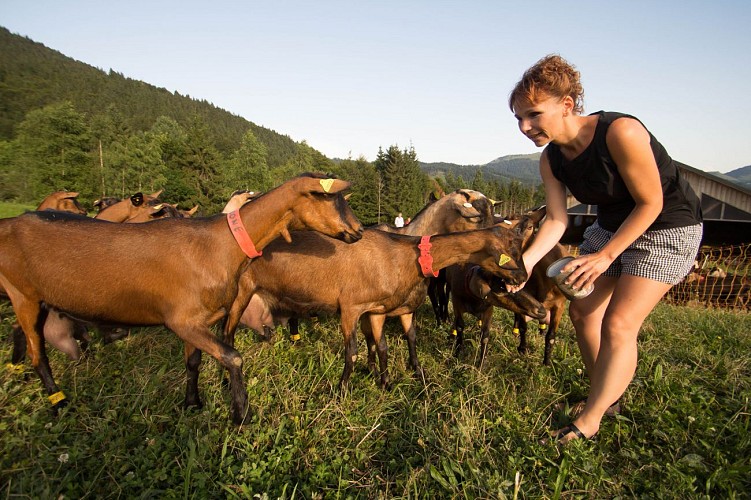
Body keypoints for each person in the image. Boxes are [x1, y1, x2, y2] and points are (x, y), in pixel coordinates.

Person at [507, 55, 702, 444]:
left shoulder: (620, 132)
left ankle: (590, 419)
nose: (525, 127)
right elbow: (558, 221)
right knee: (582, 311)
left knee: (618, 323)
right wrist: (523, 264)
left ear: (566, 105)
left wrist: (605, 256)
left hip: (667, 227)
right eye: (518, 119)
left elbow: (651, 203)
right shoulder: (552, 160)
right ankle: (606, 394)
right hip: (610, 226)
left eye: (533, 114)